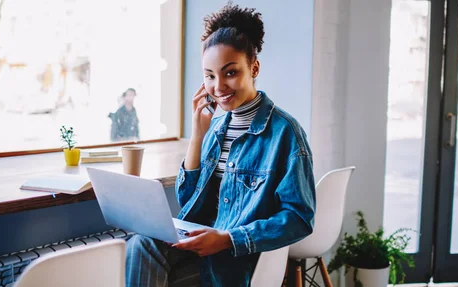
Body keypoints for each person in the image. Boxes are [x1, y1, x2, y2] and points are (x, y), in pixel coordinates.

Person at [125, 3, 316, 286]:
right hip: (203, 248)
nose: (218, 87)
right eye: (209, 75)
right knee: (141, 244)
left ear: (254, 67)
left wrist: (228, 239)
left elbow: (299, 218)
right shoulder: (215, 126)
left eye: (230, 73)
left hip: (237, 260)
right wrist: (197, 136)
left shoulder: (285, 133)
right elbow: (187, 200)